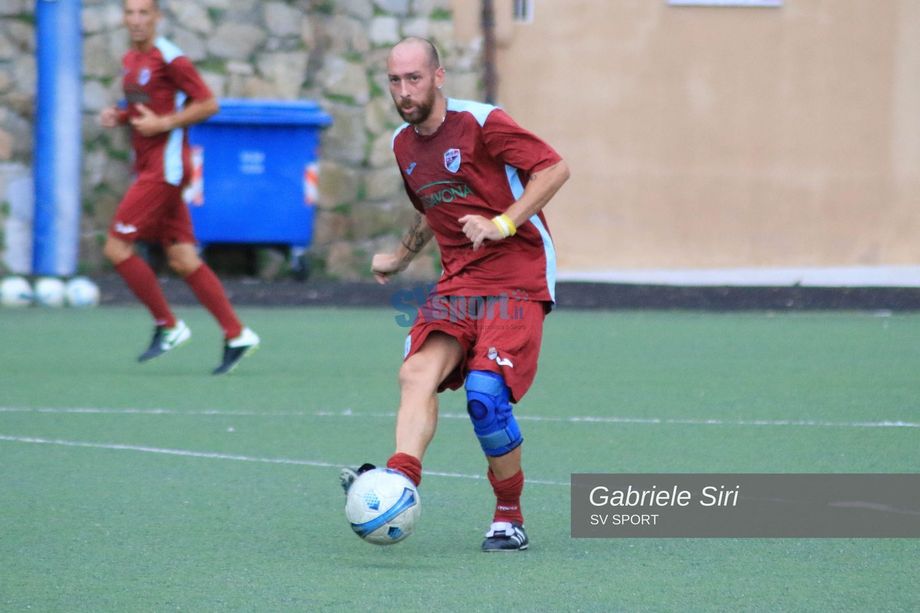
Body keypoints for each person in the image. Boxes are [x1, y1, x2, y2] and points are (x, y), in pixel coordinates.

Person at [341, 37, 570, 551]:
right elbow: (430, 206)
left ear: (438, 77)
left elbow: (554, 168)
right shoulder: (403, 144)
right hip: (460, 280)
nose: (404, 90)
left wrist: (504, 223)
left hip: (518, 272)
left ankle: (508, 514)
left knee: (485, 398)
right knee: (415, 372)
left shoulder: (482, 122)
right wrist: (400, 257)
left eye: (414, 78)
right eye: (395, 81)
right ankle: (399, 482)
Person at [99, 0, 259, 375]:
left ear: (157, 18)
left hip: (165, 171)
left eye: (144, 13)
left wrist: (165, 123)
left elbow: (208, 104)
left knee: (117, 247)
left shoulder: (171, 58)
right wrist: (120, 116)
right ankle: (237, 334)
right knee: (183, 258)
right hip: (151, 169)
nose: (136, 20)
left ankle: (168, 325)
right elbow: (144, 108)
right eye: (130, 12)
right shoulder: (131, 60)